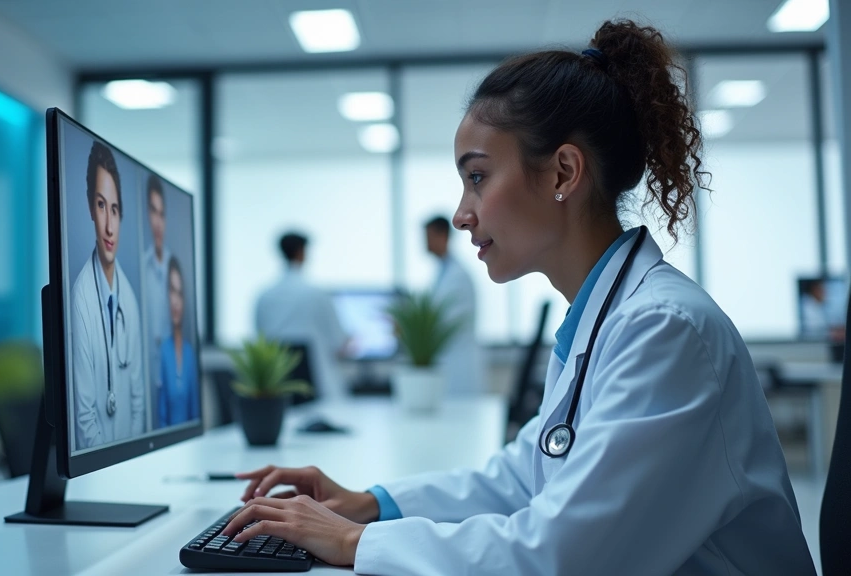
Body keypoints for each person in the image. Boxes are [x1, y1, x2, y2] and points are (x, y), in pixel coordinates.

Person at [221, 20, 816, 574]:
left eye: (477, 177)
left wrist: (352, 542)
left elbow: (560, 557)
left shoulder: (663, 329)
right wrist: (368, 504)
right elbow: (522, 477)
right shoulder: (605, 320)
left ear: (562, 173)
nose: (461, 214)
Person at [70, 141, 144, 449]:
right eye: (101, 206)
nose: (109, 226)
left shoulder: (129, 298)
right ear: (90, 208)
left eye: (115, 209)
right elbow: (84, 417)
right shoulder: (81, 299)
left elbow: (138, 401)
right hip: (100, 471)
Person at [255, 232, 348, 400]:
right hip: (320, 389)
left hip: (278, 391)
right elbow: (338, 343)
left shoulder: (264, 297)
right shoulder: (317, 294)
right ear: (301, 253)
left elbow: (260, 340)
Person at [424, 215, 485, 394]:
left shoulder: (457, 277)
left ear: (443, 236)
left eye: (428, 237)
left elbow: (440, 323)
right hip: (450, 362)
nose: (425, 243)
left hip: (458, 363)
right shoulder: (443, 273)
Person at [143, 173, 171, 426]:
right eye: (153, 212)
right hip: (147, 383)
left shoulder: (177, 272)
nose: (158, 222)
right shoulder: (141, 271)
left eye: (162, 213)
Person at [158, 256, 200, 426]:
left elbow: (195, 413)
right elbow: (161, 416)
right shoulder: (163, 351)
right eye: (172, 291)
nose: (176, 302)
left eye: (180, 294)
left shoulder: (189, 352)